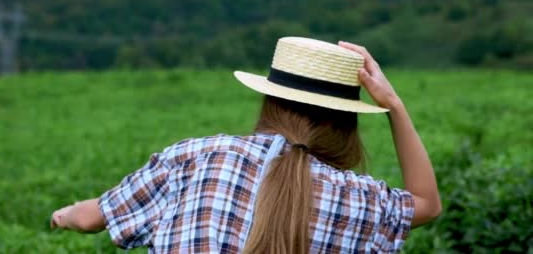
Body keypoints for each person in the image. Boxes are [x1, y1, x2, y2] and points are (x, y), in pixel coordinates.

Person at [50, 37, 441, 253]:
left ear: (269, 99)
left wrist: (64, 215)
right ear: (345, 123)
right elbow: (427, 204)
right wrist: (394, 105)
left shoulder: (196, 157)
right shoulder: (358, 199)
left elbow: (90, 218)